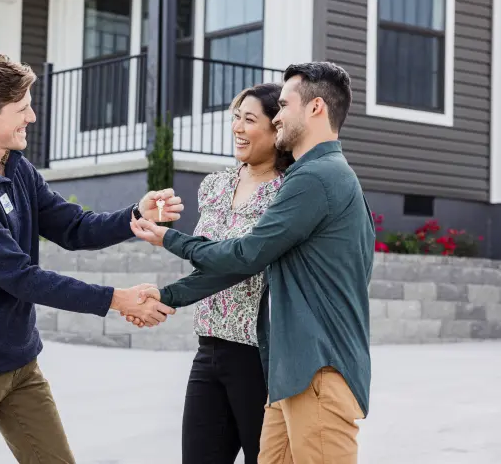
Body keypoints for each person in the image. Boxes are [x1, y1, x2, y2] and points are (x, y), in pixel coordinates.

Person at [0, 53, 180, 464]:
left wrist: (134, 216)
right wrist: (117, 299)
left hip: (20, 361)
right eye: (22, 109)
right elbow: (22, 277)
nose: (33, 116)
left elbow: (72, 226)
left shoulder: (16, 167)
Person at [130, 62, 375, 464]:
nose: (278, 117)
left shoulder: (315, 179)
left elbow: (246, 255)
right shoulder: (318, 176)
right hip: (292, 368)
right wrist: (168, 293)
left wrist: (169, 238)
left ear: (315, 108)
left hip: (316, 366)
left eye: (283, 106)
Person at [157, 83, 295, 463]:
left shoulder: (289, 193)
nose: (237, 127)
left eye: (249, 119)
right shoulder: (215, 186)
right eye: (235, 117)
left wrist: (167, 287)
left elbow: (242, 261)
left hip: (258, 356)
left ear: (276, 129)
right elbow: (209, 258)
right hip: (209, 348)